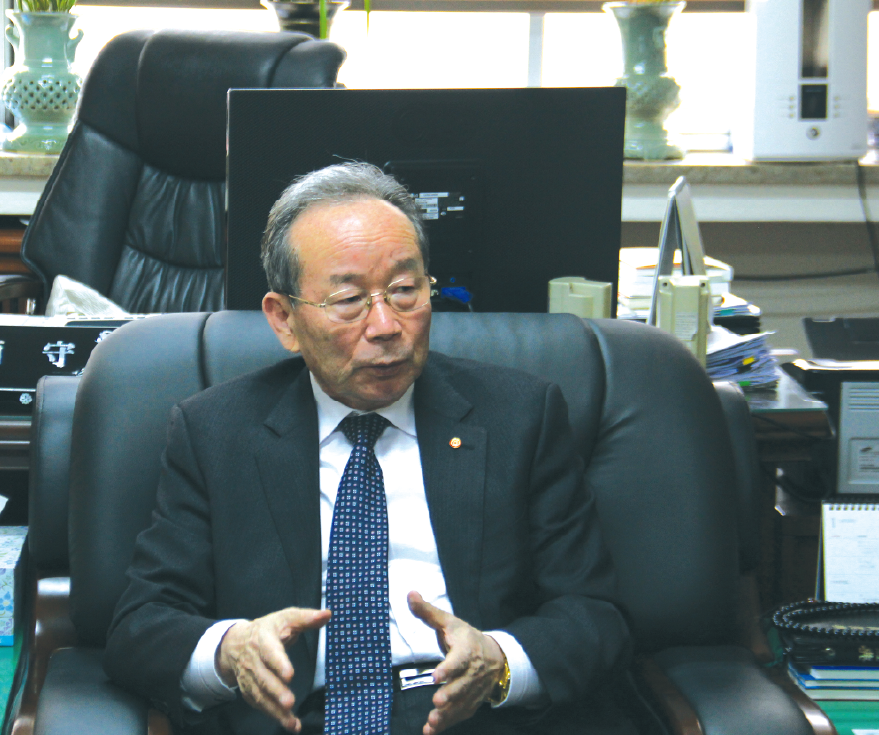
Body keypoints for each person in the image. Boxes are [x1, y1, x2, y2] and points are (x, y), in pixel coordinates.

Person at [103, 162, 633, 735]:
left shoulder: (519, 417)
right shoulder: (215, 433)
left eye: (405, 291)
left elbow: (595, 616)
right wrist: (232, 650)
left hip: (467, 715)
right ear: (284, 319)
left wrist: (498, 661)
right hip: (298, 719)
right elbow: (141, 626)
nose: (385, 325)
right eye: (349, 299)